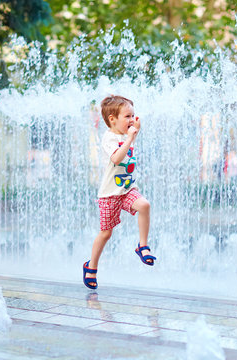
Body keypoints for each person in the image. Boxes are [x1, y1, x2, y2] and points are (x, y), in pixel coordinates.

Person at [83, 95, 156, 290]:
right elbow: (116, 158)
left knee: (144, 205)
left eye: (133, 115)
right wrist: (131, 137)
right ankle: (91, 266)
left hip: (127, 190)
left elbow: (129, 141)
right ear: (112, 119)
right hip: (109, 195)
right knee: (106, 234)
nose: (132, 120)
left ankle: (142, 245)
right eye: (127, 116)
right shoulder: (109, 138)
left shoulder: (126, 136)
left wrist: (134, 133)